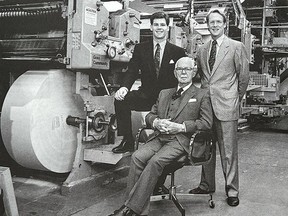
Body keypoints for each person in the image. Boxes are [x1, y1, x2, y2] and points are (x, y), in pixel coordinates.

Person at [108, 57, 213, 216]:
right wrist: (156, 122)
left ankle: (129, 210)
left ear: (194, 72)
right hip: (160, 138)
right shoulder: (164, 93)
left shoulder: (202, 94)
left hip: (182, 140)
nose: (183, 72)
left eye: (187, 69)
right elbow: (150, 114)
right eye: (179, 69)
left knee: (155, 161)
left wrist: (181, 126)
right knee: (137, 157)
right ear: (175, 72)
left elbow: (206, 123)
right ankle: (135, 208)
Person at [189, 10, 249, 207]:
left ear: (225, 24)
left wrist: (235, 98)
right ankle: (206, 185)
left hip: (226, 105)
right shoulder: (202, 49)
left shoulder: (236, 47)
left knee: (228, 151)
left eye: (218, 22)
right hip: (206, 107)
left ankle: (232, 190)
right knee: (205, 146)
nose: (214, 25)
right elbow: (201, 77)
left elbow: (243, 78)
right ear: (207, 25)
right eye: (211, 22)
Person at [112, 11, 186, 154]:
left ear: (167, 27)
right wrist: (124, 88)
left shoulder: (178, 51)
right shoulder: (141, 49)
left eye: (162, 25)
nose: (159, 27)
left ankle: (174, 142)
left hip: (169, 99)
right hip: (147, 95)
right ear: (151, 27)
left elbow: (183, 77)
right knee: (120, 100)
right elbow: (132, 70)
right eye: (156, 24)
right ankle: (127, 140)